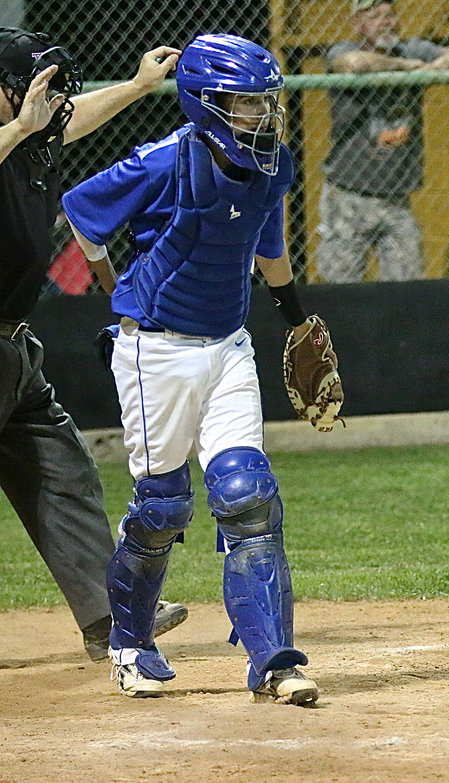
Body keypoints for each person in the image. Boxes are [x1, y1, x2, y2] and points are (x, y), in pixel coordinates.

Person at [62, 34, 322, 705]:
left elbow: (270, 245)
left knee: (247, 493)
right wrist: (111, 284)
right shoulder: (163, 160)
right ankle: (131, 641)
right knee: (163, 507)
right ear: (206, 105)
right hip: (158, 349)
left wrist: (294, 317)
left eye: (267, 101)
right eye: (245, 103)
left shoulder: (272, 165)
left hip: (228, 344)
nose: (262, 115)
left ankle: (274, 659)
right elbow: (82, 209)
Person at [0, 27, 188, 664]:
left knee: (62, 472)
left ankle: (110, 617)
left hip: (13, 351)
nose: (51, 103)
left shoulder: (34, 134)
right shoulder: (15, 136)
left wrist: (137, 86)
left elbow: (69, 119)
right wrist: (23, 127)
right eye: (36, 90)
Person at [318, 0, 449, 283]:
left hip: (396, 199)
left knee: (407, 286)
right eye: (374, 16)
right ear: (358, 24)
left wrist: (433, 68)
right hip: (349, 196)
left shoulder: (412, 49)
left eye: (389, 14)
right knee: (340, 290)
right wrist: (404, 68)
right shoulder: (345, 51)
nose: (385, 21)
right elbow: (352, 65)